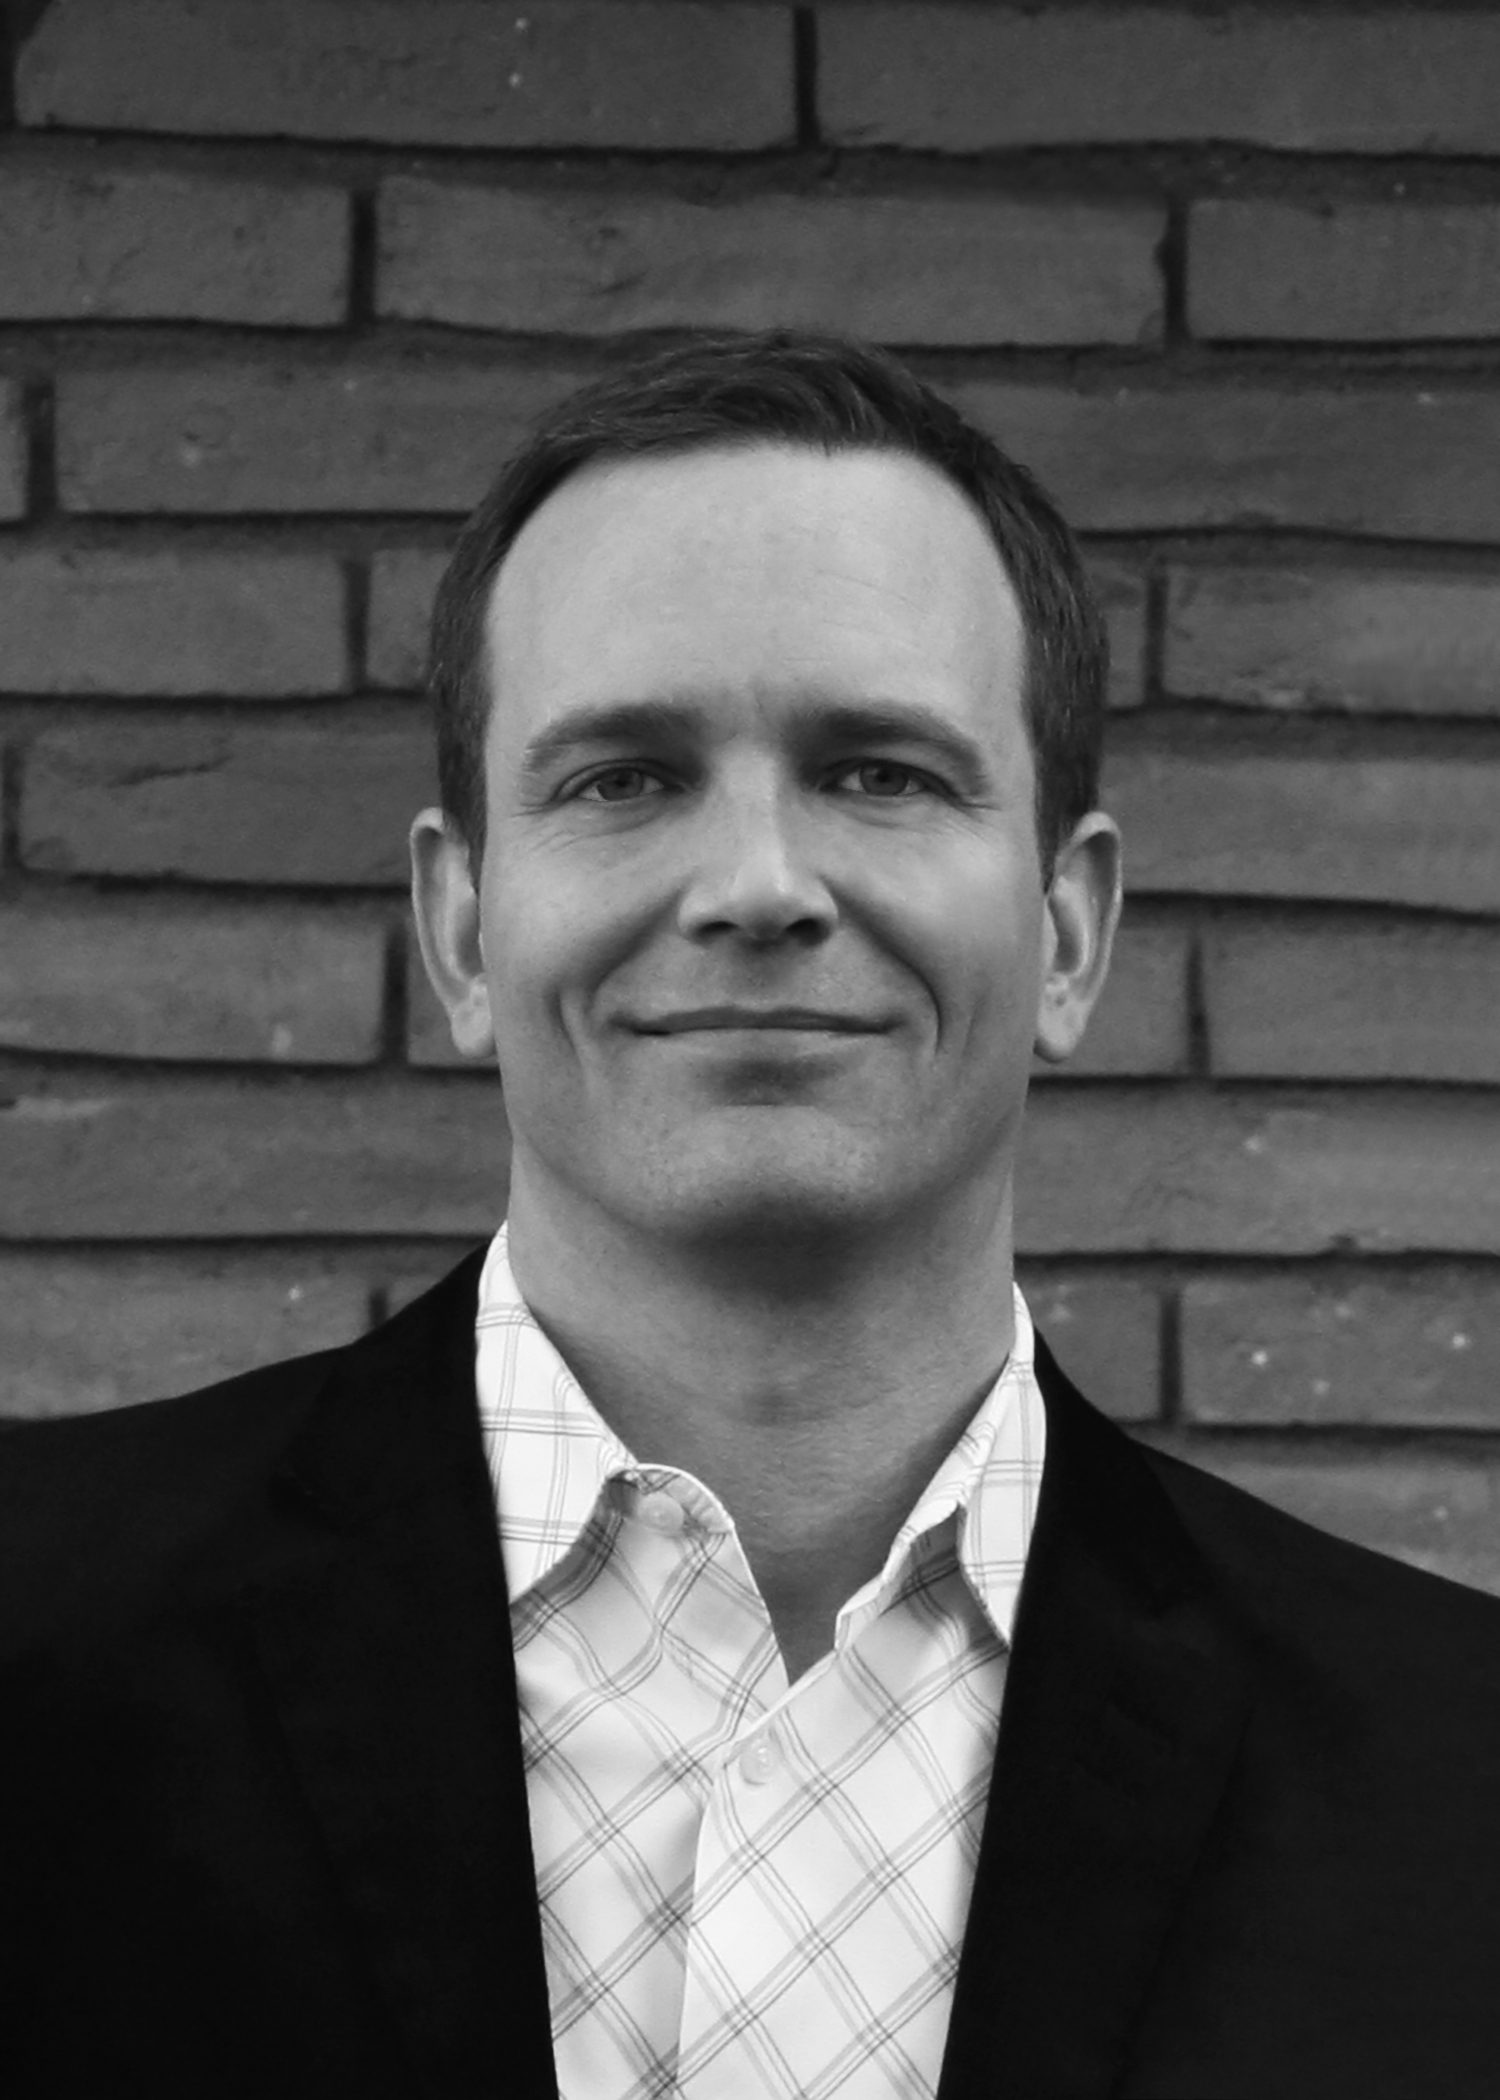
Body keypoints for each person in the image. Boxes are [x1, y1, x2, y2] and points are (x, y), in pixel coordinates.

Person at [2, 330, 1498, 2100]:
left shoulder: (1457, 1777)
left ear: (1073, 933)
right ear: (465, 931)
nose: (760, 887)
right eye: (624, 778)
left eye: (880, 771)